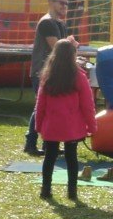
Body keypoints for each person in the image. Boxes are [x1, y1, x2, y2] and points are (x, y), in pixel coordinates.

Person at [33, 37, 97, 200]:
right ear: (72, 56)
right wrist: (92, 126)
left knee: (50, 157)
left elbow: (40, 105)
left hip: (52, 125)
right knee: (71, 157)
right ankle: (72, 191)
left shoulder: (47, 77)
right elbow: (87, 105)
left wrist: (39, 126)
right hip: (72, 127)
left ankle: (45, 190)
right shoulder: (79, 77)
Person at [24, 0, 72, 156]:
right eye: (61, 3)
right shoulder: (47, 23)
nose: (65, 6)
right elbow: (58, 48)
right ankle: (30, 143)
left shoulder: (60, 24)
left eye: (67, 3)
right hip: (41, 71)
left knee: (51, 108)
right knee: (41, 108)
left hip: (53, 72)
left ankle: (48, 144)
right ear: (51, 3)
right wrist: (71, 48)